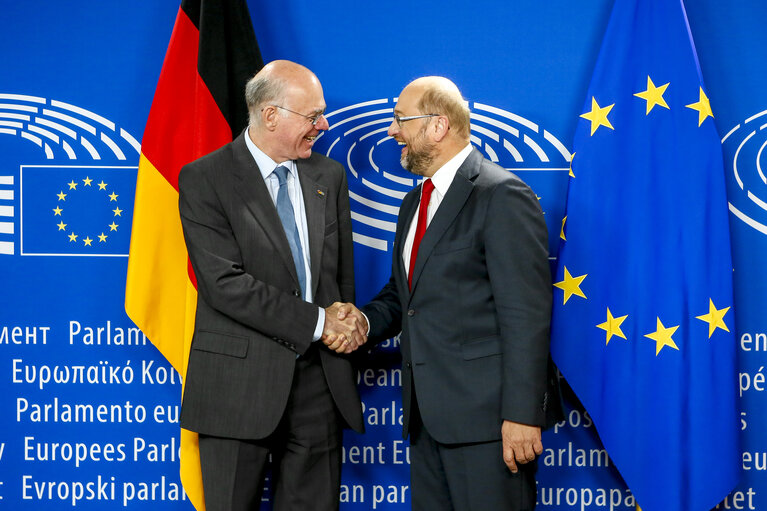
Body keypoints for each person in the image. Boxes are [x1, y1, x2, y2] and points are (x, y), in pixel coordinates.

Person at [333, 76, 559, 510]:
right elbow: (406, 297)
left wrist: (521, 415)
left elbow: (525, 315)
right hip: (426, 420)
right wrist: (361, 322)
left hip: (490, 424)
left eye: (401, 120)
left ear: (438, 125)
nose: (392, 131)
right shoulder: (414, 202)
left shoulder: (500, 194)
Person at [178, 60, 366, 511]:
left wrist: (347, 316)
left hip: (320, 386)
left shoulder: (329, 176)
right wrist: (322, 323)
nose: (323, 125)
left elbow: (339, 277)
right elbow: (225, 284)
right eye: (313, 115)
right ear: (271, 115)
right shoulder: (205, 179)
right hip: (236, 389)